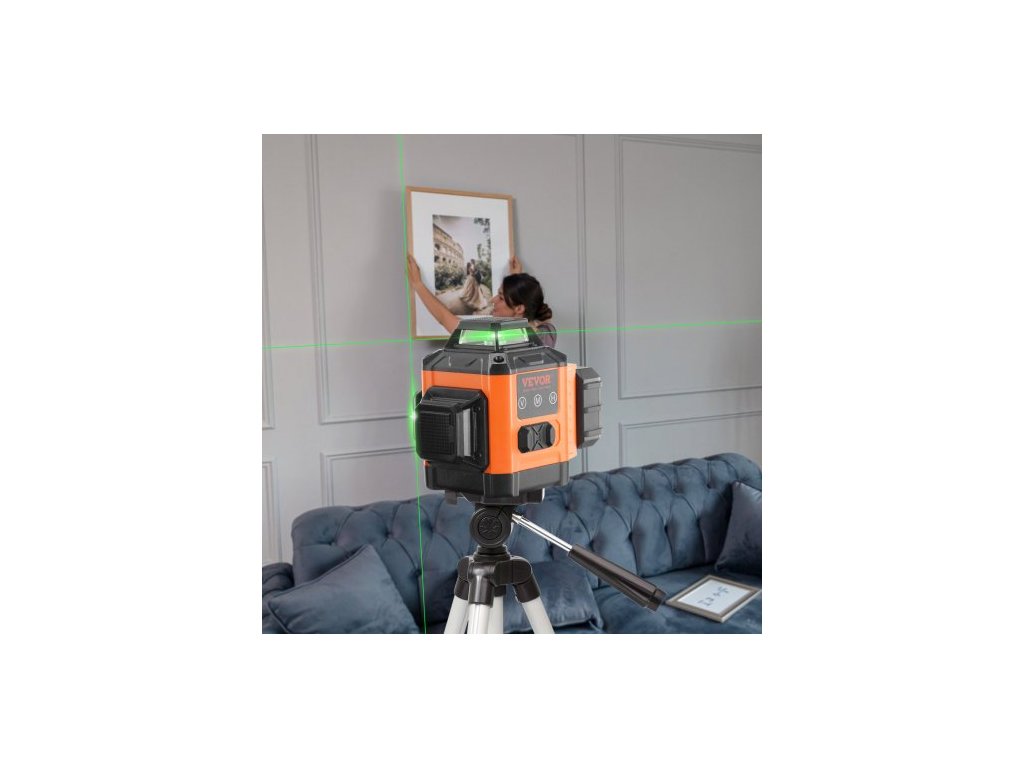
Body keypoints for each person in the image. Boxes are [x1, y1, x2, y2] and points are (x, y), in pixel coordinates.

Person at [407, 253, 558, 348]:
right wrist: (516, 279)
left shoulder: (499, 339)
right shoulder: (547, 332)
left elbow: (445, 319)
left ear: (519, 308)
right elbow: (531, 302)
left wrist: (418, 284)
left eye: (501, 297)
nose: (493, 299)